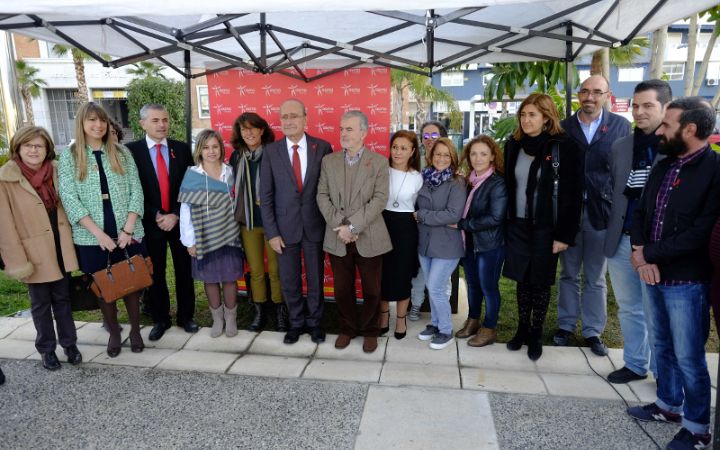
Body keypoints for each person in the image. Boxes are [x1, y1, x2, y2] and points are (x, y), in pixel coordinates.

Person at [627, 97, 720, 450]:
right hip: (651, 272)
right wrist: (640, 254)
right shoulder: (664, 164)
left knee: (689, 356)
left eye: (667, 125)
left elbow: (702, 231)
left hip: (687, 281)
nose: (659, 130)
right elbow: (641, 210)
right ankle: (668, 405)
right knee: (661, 344)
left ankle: (697, 428)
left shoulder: (714, 171)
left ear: (691, 130)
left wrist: (648, 253)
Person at [58, 102, 147, 357]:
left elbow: (136, 189)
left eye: (102, 120)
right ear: (82, 124)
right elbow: (69, 198)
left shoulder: (121, 153)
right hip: (91, 234)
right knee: (104, 286)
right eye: (92, 121)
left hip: (126, 229)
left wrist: (128, 229)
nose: (98, 125)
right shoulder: (70, 156)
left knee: (131, 282)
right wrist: (98, 234)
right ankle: (114, 332)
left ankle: (136, 330)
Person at [503, 93, 583, 361]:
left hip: (547, 227)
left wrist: (564, 236)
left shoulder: (564, 147)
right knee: (522, 279)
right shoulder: (513, 145)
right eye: (523, 115)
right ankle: (522, 329)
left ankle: (536, 333)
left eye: (532, 115)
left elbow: (573, 195)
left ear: (547, 117)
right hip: (517, 225)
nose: (526, 120)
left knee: (540, 281)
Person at [555, 75, 631, 356]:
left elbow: (623, 170)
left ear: (607, 95)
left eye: (596, 92)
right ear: (578, 94)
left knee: (596, 277)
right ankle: (565, 325)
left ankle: (592, 331)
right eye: (585, 91)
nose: (589, 97)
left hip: (602, 212)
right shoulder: (564, 127)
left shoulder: (621, 126)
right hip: (569, 212)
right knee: (569, 273)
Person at [603, 79, 671, 384]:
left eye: (648, 106)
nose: (639, 112)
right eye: (635, 105)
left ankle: (662, 372)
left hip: (655, 245)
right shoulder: (621, 146)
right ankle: (634, 363)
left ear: (666, 108)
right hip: (620, 239)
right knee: (629, 308)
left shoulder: (674, 147)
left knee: (656, 312)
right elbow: (615, 190)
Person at [0, 126, 82, 370]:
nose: (34, 150)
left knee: (63, 299)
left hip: (60, 243)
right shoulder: (6, 178)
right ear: (18, 148)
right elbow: (4, 225)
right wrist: (17, 260)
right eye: (28, 145)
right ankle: (47, 349)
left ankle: (70, 344)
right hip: (32, 250)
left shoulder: (58, 171)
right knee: (40, 304)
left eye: (39, 145)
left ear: (47, 149)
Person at [317, 110, 391, 353]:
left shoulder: (379, 162)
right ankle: (347, 329)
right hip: (338, 236)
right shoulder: (329, 161)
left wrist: (353, 226)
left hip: (369, 235)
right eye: (341, 129)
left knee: (372, 289)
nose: (343, 134)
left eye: (349, 129)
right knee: (342, 289)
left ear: (364, 132)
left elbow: (380, 199)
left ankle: (370, 330)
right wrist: (342, 226)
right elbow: (322, 195)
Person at [260, 99, 332, 345]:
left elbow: (329, 190)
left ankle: (314, 323)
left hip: (314, 227)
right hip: (283, 230)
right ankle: (296, 324)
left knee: (315, 279)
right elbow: (266, 196)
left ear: (305, 118)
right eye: (284, 117)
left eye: (293, 116)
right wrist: (272, 233)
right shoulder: (270, 151)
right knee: (289, 280)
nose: (288, 121)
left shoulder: (322, 147)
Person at [126, 104, 197, 342]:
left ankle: (186, 317)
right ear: (142, 123)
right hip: (150, 222)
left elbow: (190, 185)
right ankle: (161, 319)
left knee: (184, 271)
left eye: (165, 120)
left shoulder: (182, 149)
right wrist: (155, 213)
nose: (161, 125)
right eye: (155, 120)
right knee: (155, 272)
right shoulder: (130, 151)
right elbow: (130, 190)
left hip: (179, 220)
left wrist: (175, 213)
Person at [179, 129, 244, 338]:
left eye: (215, 146)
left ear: (221, 148)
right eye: (206, 147)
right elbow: (185, 210)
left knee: (229, 278)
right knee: (210, 279)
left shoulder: (231, 172)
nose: (211, 151)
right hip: (204, 236)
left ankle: (231, 318)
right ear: (199, 150)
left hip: (230, 235)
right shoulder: (192, 175)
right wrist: (189, 241)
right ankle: (217, 319)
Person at [229, 112, 285, 332]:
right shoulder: (236, 156)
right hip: (248, 222)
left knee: (275, 270)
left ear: (262, 130)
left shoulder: (274, 153)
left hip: (273, 222)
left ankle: (281, 311)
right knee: (256, 270)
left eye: (253, 128)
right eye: (244, 129)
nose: (248, 133)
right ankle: (260, 311)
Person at [415, 137, 466, 350]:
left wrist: (423, 216)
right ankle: (435, 325)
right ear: (430, 155)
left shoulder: (457, 181)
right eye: (438, 154)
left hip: (447, 245)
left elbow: (453, 214)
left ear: (452, 157)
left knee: (436, 288)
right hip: (425, 243)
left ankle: (446, 330)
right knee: (431, 286)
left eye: (446, 155)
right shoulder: (424, 178)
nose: (441, 158)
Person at [456, 135, 507, 347]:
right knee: (473, 285)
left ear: (492, 156)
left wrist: (462, 224)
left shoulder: (497, 183)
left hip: (489, 246)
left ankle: (489, 328)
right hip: (470, 245)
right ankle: (473, 320)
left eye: (483, 154)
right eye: (474, 153)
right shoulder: (469, 181)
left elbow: (496, 217)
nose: (478, 158)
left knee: (488, 287)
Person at [379, 130, 423, 340]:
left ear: (412, 151)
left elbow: (423, 205)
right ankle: (383, 315)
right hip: (381, 222)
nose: (398, 152)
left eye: (403, 148)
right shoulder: (380, 170)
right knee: (382, 272)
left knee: (403, 274)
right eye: (395, 147)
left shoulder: (417, 177)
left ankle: (401, 319)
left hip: (406, 227)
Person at [408, 120, 449, 322]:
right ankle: (416, 304)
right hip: (417, 225)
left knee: (442, 274)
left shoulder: (449, 161)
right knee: (419, 271)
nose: (430, 140)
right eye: (426, 136)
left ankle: (440, 312)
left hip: (442, 226)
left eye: (434, 136)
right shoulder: (414, 161)